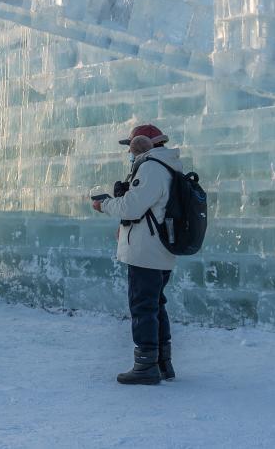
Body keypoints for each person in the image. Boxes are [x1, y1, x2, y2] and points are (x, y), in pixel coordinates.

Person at [93, 123, 181, 385]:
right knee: (155, 304)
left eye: (130, 147)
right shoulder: (167, 166)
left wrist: (104, 205)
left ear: (144, 144)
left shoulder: (151, 167)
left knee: (143, 306)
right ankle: (162, 362)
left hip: (146, 250)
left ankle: (145, 367)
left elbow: (132, 207)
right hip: (159, 248)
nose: (129, 153)